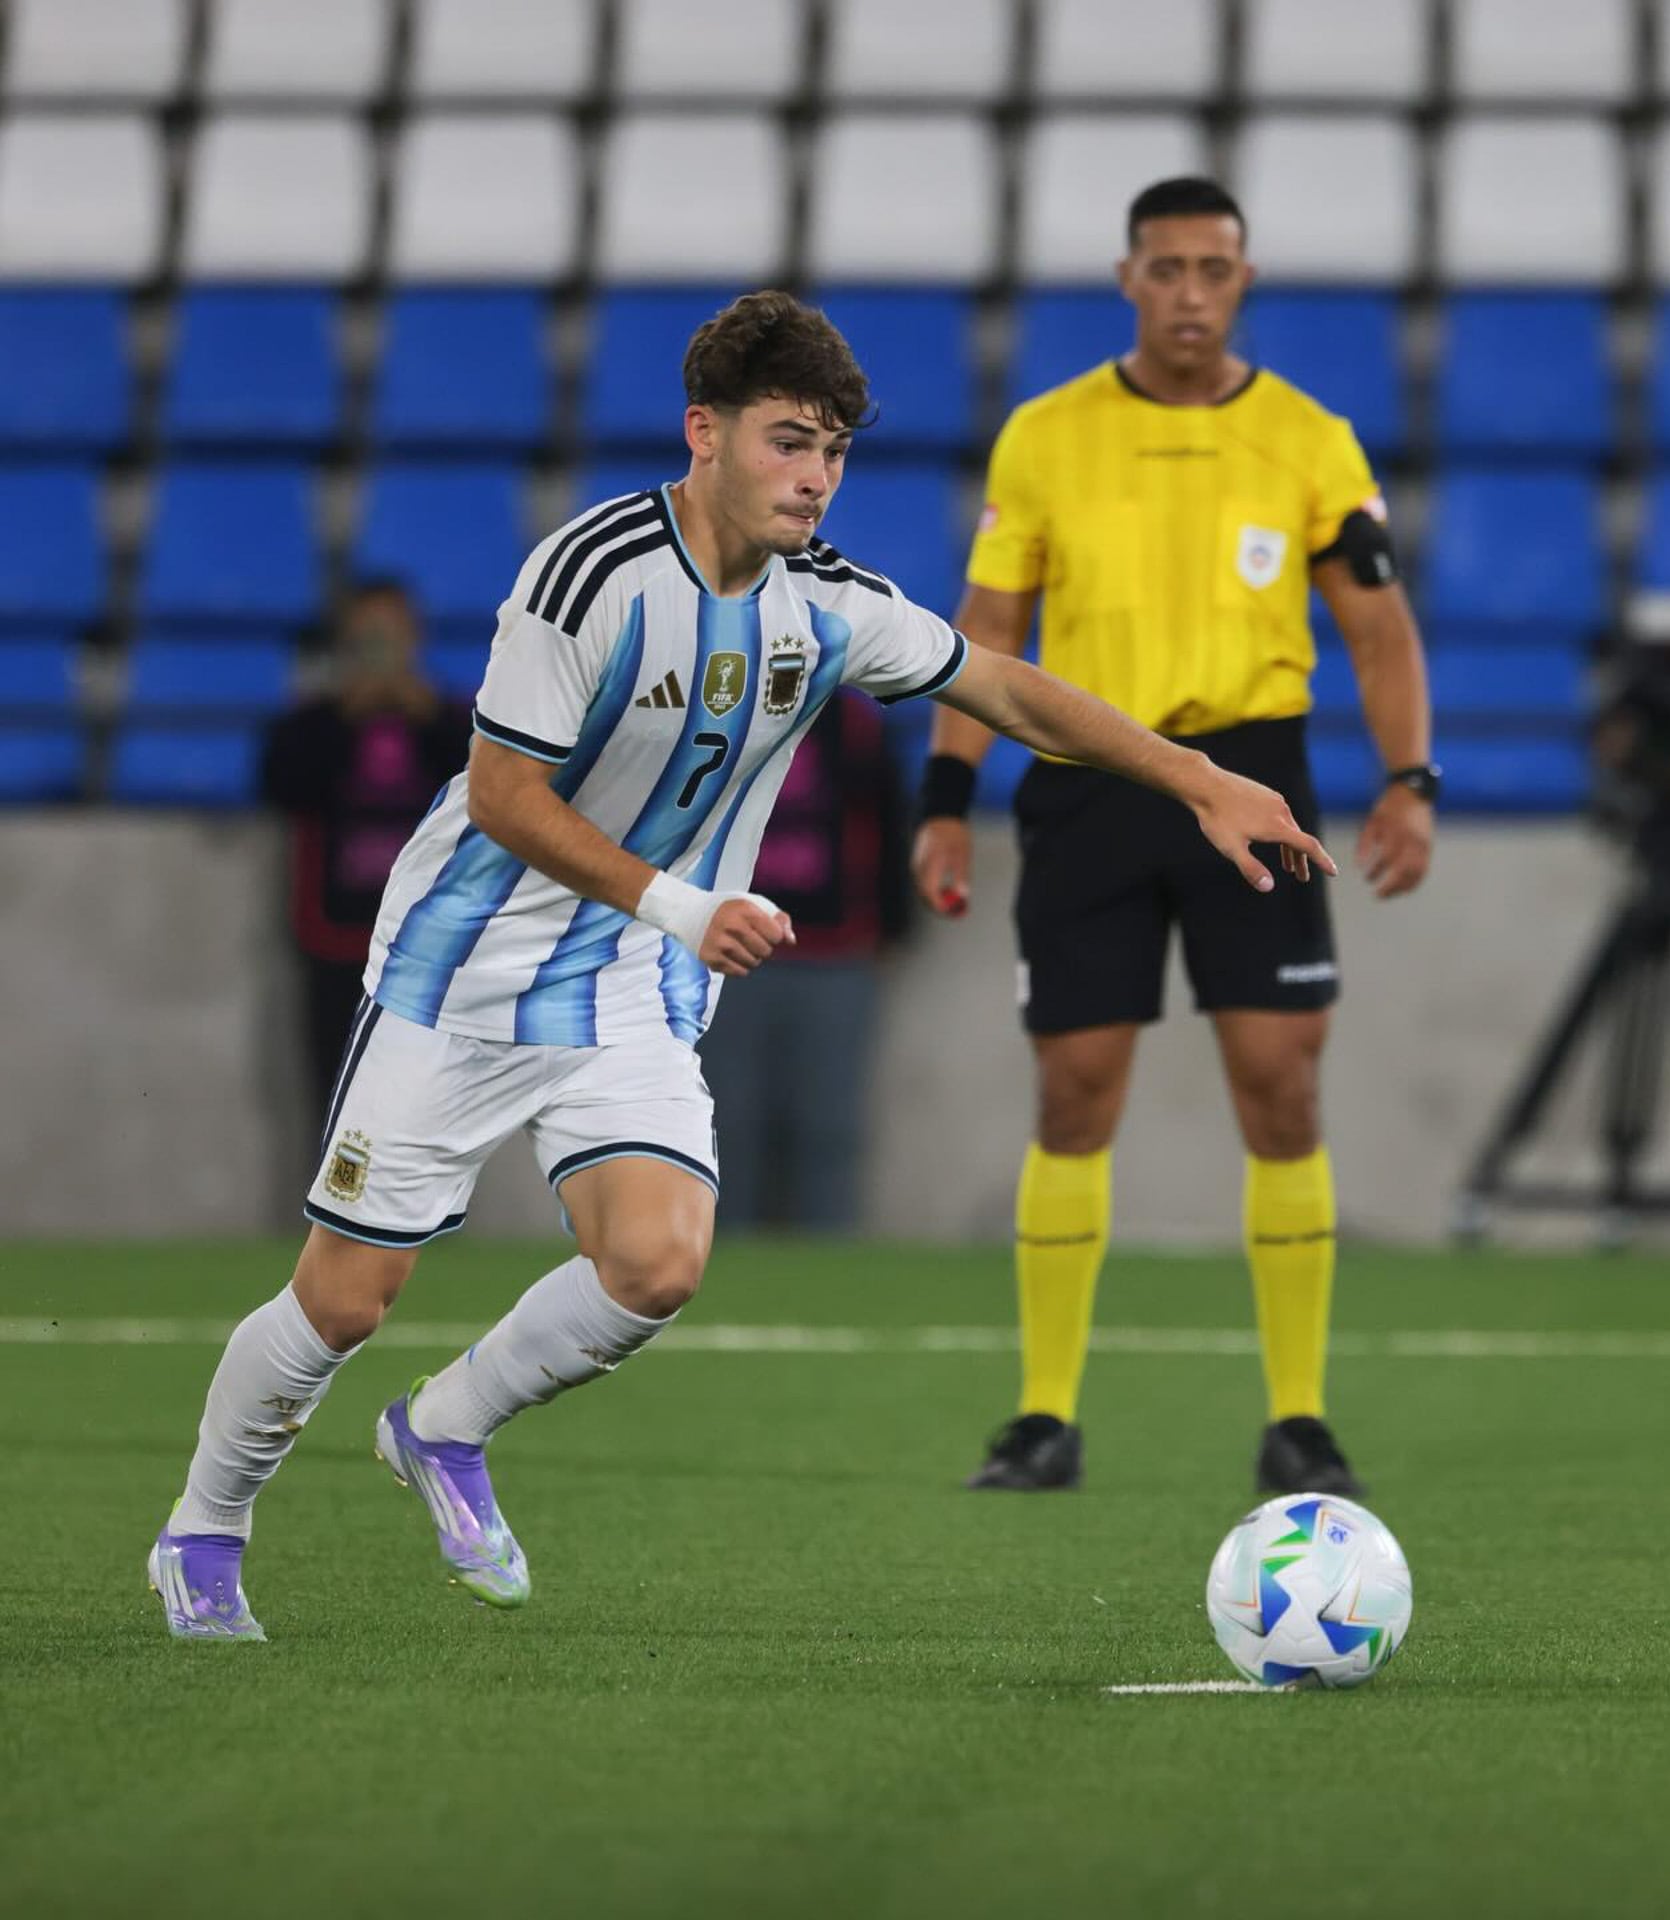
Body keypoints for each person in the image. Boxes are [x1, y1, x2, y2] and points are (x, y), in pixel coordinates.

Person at [147, 290, 1336, 1640]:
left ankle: (444, 1427)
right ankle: (205, 1528)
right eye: (789, 442)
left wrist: (1198, 780)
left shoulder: (826, 603)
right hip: (462, 973)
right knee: (346, 1301)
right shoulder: (589, 577)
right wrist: (678, 902)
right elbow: (502, 798)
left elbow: (1003, 686)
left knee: (657, 1263)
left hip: (628, 982)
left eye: (833, 450)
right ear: (703, 433)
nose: (816, 477)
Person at [911, 178, 1437, 1497]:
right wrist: (944, 799)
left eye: (1214, 268)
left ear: (1243, 281)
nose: (1190, 292)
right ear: (1128, 279)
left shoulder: (1310, 440)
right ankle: (1044, 1417)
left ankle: (1299, 1418)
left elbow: (1378, 628)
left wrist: (1410, 779)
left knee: (1282, 1085)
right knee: (1075, 1093)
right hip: (1089, 780)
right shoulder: (1047, 435)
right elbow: (989, 634)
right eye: (1167, 268)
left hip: (1254, 780)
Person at [260, 579, 472, 1134]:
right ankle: (338, 1193)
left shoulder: (453, 721)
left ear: (414, 638)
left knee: (426, 1109)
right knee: (338, 1100)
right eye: (367, 636)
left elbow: (490, 790)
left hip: (428, 947)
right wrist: (348, 713)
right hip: (335, 940)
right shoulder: (312, 725)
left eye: (390, 634)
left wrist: (423, 711)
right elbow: (280, 784)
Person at [696, 688, 912, 1229]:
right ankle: (714, 1255)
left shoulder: (854, 721)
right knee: (723, 1122)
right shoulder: (717, 713)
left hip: (834, 954)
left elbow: (887, 820)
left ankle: (828, 1257)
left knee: (828, 1125)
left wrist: (889, 925)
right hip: (727, 956)